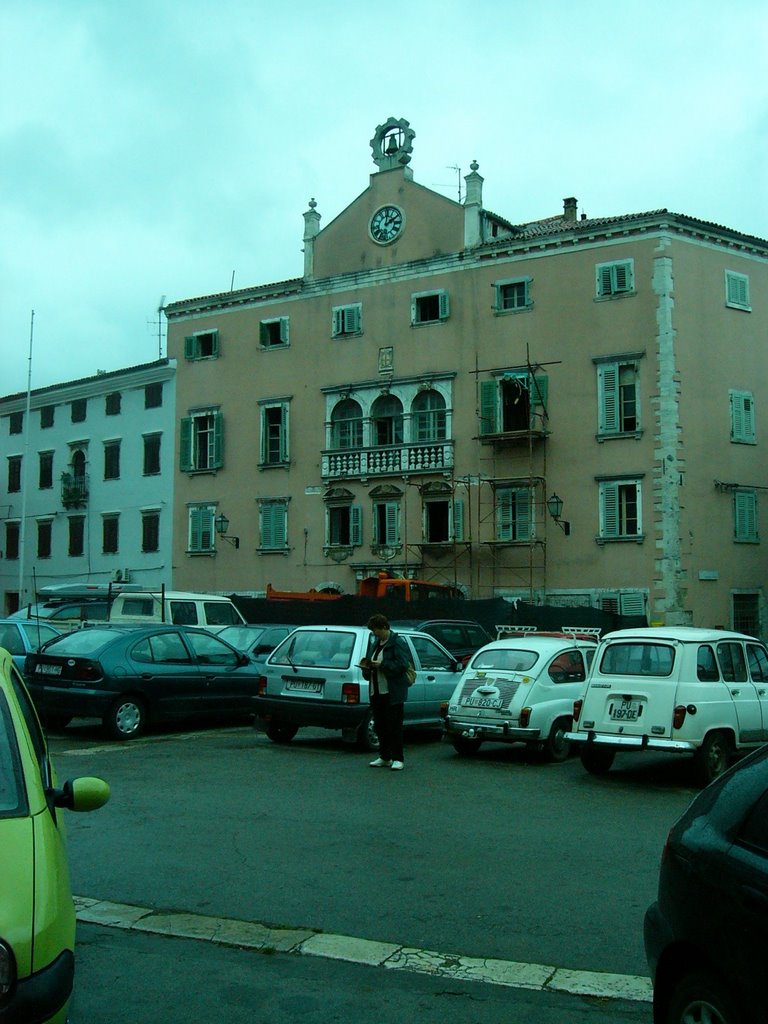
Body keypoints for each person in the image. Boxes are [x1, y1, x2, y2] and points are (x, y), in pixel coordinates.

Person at [358, 613, 410, 771]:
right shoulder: (376, 643)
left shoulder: (397, 642)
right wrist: (366, 668)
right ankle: (384, 756)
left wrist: (382, 665)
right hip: (376, 690)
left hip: (392, 692)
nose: (374, 633)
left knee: (394, 726)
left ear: (384, 627)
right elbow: (371, 662)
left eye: (376, 630)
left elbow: (402, 665)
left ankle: (398, 758)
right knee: (380, 725)